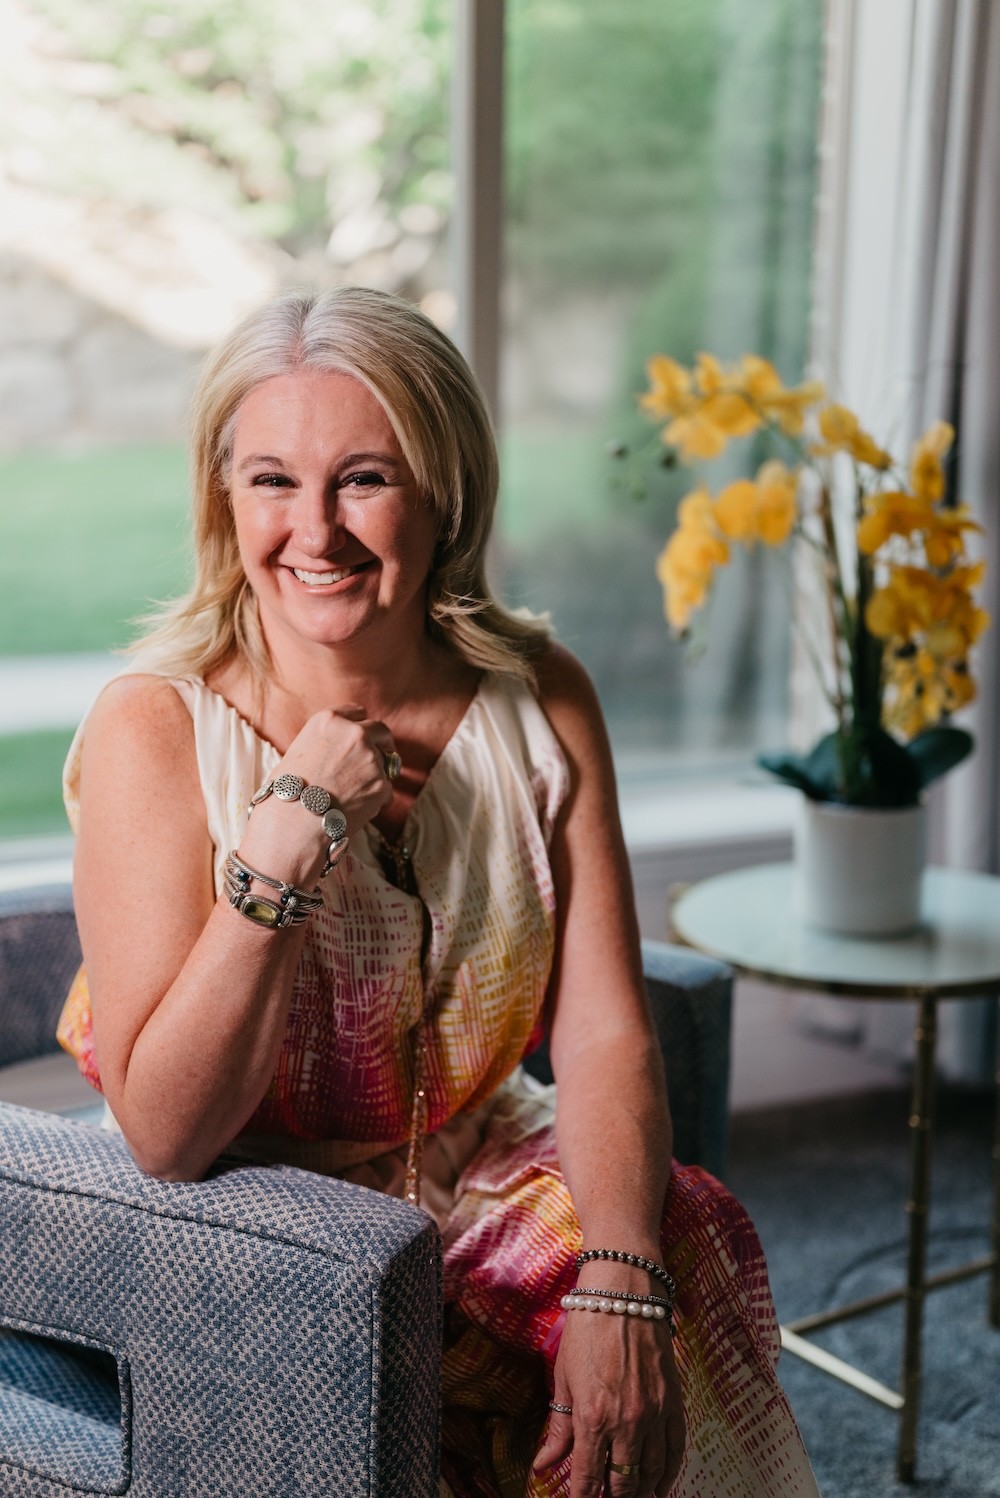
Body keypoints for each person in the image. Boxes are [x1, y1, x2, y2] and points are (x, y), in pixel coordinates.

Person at [57, 287, 819, 1498]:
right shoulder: (152, 728)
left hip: (473, 1153)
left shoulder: (542, 696)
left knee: (676, 1236)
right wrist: (286, 840)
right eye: (271, 481)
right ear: (222, 497)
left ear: (445, 492)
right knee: (419, 1351)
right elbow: (167, 1132)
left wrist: (619, 1276)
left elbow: (602, 1023)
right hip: (254, 1209)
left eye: (364, 478)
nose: (316, 531)